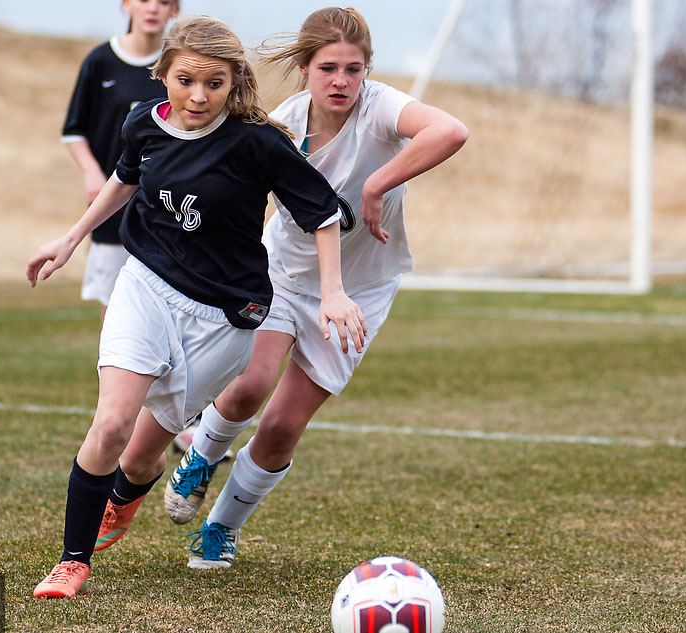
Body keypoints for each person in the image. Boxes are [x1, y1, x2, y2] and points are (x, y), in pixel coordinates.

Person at [26, 15, 366, 598]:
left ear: (235, 83)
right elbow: (124, 178)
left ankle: (127, 496)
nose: (199, 97)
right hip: (146, 286)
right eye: (186, 81)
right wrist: (71, 237)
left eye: (215, 84)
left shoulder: (258, 143)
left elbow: (323, 213)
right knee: (109, 425)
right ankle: (72, 561)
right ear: (162, 75)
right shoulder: (143, 123)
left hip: (224, 318)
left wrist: (333, 291)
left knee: (137, 461)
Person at [165, 7, 469, 569]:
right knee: (251, 384)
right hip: (284, 274)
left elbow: (451, 130)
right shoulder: (280, 124)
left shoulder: (381, 109)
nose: (342, 81)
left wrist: (379, 182)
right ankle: (200, 458)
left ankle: (219, 530)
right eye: (328, 67)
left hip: (363, 290)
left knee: (281, 426)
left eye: (354, 69)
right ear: (305, 68)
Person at [62, 0, 179, 321]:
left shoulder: (181, 66)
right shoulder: (101, 60)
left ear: (175, 10)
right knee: (116, 313)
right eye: (143, 0)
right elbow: (74, 131)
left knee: (167, 308)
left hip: (169, 207)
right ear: (127, 5)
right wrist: (92, 173)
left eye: (164, 2)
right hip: (114, 206)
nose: (153, 8)